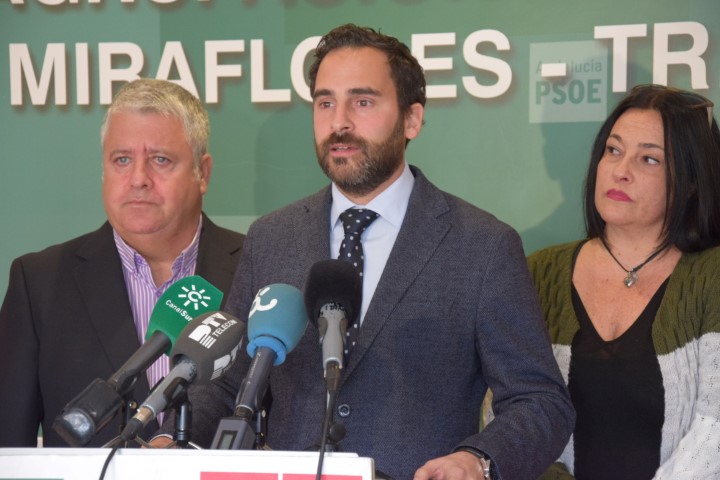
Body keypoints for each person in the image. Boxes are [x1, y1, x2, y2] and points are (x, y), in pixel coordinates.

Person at [156, 24, 574, 479]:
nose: (339, 123)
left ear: (412, 119)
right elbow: (226, 383)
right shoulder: (272, 237)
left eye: (362, 102)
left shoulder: (482, 246)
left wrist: (478, 459)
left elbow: (540, 401)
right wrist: (167, 443)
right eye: (325, 103)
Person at [0, 78, 245, 447]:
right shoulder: (39, 284)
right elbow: (7, 450)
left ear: (202, 173)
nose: (138, 179)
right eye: (122, 160)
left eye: (160, 159)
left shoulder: (257, 266)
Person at [528, 84, 720, 479]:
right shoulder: (538, 272)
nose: (620, 171)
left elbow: (714, 431)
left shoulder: (711, 276)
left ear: (691, 181)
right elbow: (508, 408)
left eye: (649, 159)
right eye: (613, 150)